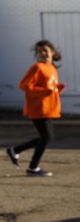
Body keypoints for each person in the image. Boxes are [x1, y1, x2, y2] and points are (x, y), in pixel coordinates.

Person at [5, 40, 65, 177]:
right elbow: (24, 85)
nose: (43, 53)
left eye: (45, 50)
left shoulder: (52, 68)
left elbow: (47, 86)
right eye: (39, 51)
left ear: (52, 52)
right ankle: (32, 167)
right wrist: (44, 91)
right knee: (47, 137)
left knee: (47, 137)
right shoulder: (37, 67)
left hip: (48, 106)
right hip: (38, 107)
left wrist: (56, 89)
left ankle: (15, 150)